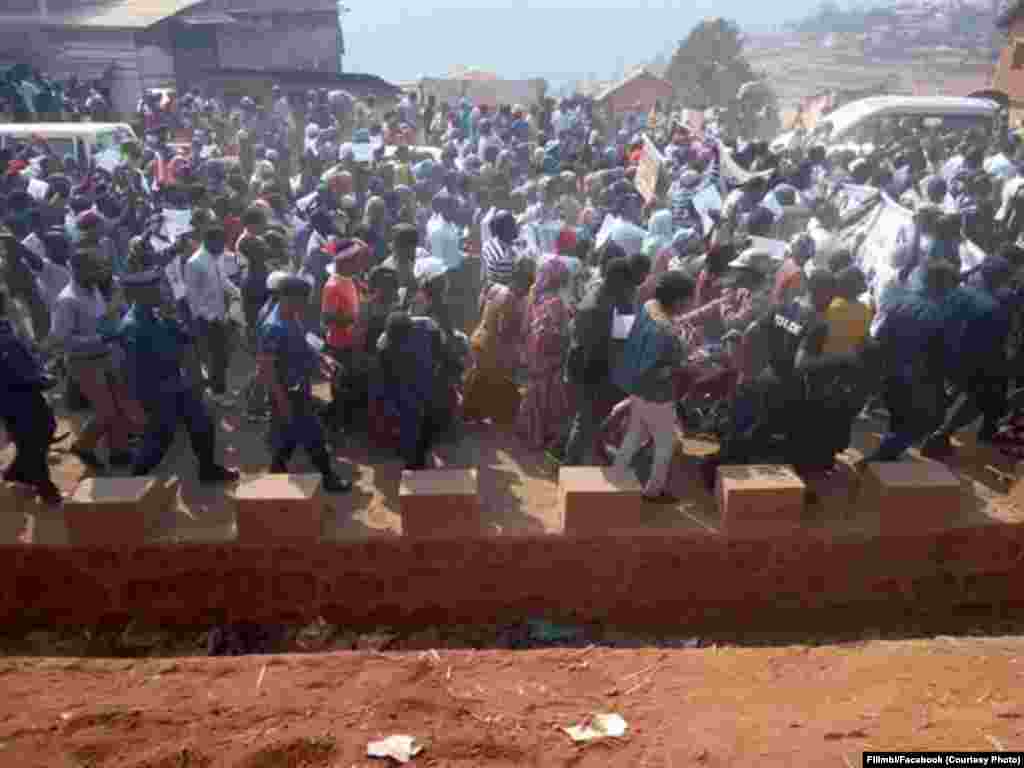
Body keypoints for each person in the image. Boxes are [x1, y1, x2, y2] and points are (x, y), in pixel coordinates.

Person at [118, 269, 239, 484]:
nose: (161, 291)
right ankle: (133, 481)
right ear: (138, 294)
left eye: (159, 287)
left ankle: (208, 470)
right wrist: (134, 405)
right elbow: (130, 370)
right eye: (154, 289)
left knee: (202, 423)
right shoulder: (132, 326)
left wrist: (175, 320)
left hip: (177, 383)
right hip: (155, 390)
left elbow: (186, 337)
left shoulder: (158, 314)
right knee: (159, 440)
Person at [257, 275, 351, 493]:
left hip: (298, 387)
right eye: (301, 299)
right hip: (288, 393)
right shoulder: (273, 327)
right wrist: (281, 402)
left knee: (288, 436)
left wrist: (322, 358)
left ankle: (277, 472)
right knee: (313, 435)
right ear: (286, 298)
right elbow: (267, 370)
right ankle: (328, 477)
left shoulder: (291, 317)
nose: (305, 304)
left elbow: (302, 344)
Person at [864, 260, 959, 463]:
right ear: (945, 285)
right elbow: (943, 354)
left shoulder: (901, 302)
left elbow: (880, 336)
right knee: (926, 420)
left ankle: (882, 465)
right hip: (916, 380)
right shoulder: (941, 313)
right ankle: (876, 460)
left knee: (899, 421)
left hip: (889, 374)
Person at [921, 255, 1016, 458]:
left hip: (944, 354)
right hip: (973, 360)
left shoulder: (960, 291)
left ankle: (931, 427)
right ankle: (941, 434)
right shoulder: (996, 308)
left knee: (953, 392)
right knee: (978, 397)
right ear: (1003, 279)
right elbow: (996, 345)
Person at [612, 271, 695, 502]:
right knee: (665, 445)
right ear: (678, 301)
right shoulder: (667, 332)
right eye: (689, 299)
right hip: (658, 396)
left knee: (635, 434)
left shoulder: (650, 306)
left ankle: (616, 474)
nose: (691, 304)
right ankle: (653, 491)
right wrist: (684, 358)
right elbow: (661, 370)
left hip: (636, 388)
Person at [48, 250, 134, 470]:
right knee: (105, 411)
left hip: (106, 355)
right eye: (93, 268)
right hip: (84, 362)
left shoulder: (93, 289)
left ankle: (119, 452)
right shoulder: (67, 300)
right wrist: (100, 338)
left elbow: (101, 318)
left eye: (99, 267)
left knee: (119, 404)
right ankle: (83, 446)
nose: (99, 272)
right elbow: (62, 339)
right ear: (77, 270)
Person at [564, 257, 635, 465]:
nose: (631, 288)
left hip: (588, 366)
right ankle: (571, 463)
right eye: (628, 284)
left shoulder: (599, 295)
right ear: (619, 283)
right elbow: (619, 344)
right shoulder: (606, 307)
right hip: (594, 371)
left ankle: (591, 451)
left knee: (592, 417)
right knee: (587, 419)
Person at [0, 289, 61, 505]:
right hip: (18, 399)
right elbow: (16, 372)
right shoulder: (5, 338)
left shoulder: (6, 331)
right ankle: (47, 490)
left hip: (17, 396)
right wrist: (44, 380)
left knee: (41, 432)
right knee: (33, 441)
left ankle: (17, 471)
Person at [462, 259, 534, 426]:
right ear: (519, 283)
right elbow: (504, 329)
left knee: (479, 378)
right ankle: (484, 415)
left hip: (481, 338)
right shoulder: (510, 298)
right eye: (525, 288)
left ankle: (471, 414)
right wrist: (520, 339)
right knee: (491, 380)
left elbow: (481, 307)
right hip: (493, 347)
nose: (525, 293)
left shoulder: (496, 288)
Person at [376, 310, 447, 470]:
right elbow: (385, 370)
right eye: (398, 340)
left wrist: (436, 361)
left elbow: (440, 341)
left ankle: (422, 448)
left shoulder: (426, 324)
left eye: (404, 337)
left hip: (424, 374)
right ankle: (413, 458)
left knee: (427, 413)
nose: (402, 341)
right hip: (404, 380)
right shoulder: (384, 341)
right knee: (409, 418)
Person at [518, 258, 571, 450]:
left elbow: (525, 327)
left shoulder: (534, 295)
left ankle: (529, 429)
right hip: (549, 354)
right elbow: (562, 332)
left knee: (534, 390)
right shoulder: (556, 302)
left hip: (533, 351)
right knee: (547, 391)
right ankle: (541, 433)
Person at [184, 225, 239, 407]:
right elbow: (192, 297)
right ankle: (218, 393)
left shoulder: (217, 256)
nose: (223, 247)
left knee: (222, 355)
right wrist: (209, 317)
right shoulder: (195, 263)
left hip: (220, 313)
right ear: (208, 242)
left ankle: (216, 386)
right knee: (217, 356)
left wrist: (237, 292)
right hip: (207, 319)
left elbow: (222, 279)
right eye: (220, 244)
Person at [321, 239, 366, 434]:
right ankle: (335, 426)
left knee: (349, 383)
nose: (360, 264)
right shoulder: (333, 285)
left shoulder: (350, 280)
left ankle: (346, 420)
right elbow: (327, 317)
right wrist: (353, 319)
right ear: (344, 262)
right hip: (340, 345)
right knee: (340, 386)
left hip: (351, 342)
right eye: (356, 260)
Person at [823, 266, 873, 356]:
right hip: (847, 361)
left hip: (825, 356)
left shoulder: (833, 305)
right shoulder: (866, 311)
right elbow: (863, 340)